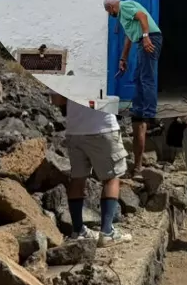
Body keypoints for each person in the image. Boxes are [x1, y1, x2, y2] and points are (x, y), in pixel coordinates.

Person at [52, 94, 133, 247]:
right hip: (103, 127)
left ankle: (78, 230)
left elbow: (57, 100)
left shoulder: (64, 76)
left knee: (77, 178)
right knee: (111, 178)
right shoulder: (105, 74)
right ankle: (107, 233)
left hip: (75, 130)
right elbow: (122, 96)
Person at [104, 0, 163, 177]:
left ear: (112, 7)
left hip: (150, 38)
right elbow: (129, 38)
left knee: (147, 78)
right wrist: (123, 59)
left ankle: (150, 114)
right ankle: (138, 109)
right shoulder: (122, 16)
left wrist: (146, 37)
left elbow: (142, 16)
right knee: (137, 78)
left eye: (108, 11)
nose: (109, 14)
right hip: (141, 40)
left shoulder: (126, 6)